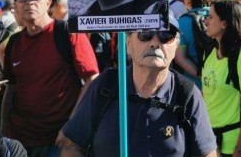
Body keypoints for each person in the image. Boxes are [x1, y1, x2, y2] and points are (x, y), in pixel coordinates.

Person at [59, 13, 218, 157]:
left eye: (166, 35)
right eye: (145, 33)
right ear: (128, 44)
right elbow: (72, 146)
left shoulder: (187, 94)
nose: (155, 43)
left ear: (176, 46)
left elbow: (207, 154)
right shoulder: (104, 86)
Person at [1, 0, 100, 156]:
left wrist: (71, 126)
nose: (29, 2)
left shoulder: (67, 33)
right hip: (20, 141)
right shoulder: (14, 42)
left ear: (48, 3)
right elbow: (11, 89)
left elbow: (92, 78)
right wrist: (2, 133)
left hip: (58, 140)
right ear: (15, 5)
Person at [202, 0, 241, 156]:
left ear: (224, 23)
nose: (206, 21)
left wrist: (240, 148)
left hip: (235, 146)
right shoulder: (209, 50)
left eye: (210, 17)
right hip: (210, 143)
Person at [174, 0, 211, 86]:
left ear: (187, 0)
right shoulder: (218, 15)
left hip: (195, 84)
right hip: (223, 80)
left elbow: (180, 58)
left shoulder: (183, 21)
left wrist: (203, 76)